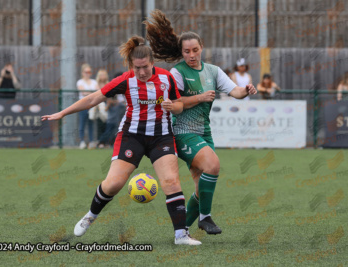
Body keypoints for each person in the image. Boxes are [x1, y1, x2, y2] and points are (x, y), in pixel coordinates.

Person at [41, 35, 201, 245]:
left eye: (145, 67)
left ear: (152, 63)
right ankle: (91, 215)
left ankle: (181, 235)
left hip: (161, 136)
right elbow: (92, 98)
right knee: (114, 183)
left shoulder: (166, 78)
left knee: (171, 181)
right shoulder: (126, 80)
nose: (142, 72)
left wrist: (174, 106)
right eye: (137, 68)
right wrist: (62, 113)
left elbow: (180, 104)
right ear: (131, 66)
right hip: (131, 136)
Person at [145, 10, 257, 235]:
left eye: (195, 50)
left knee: (200, 188)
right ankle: (205, 217)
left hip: (204, 132)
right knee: (213, 165)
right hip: (183, 131)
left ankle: (182, 230)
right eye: (186, 51)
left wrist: (245, 90)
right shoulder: (177, 73)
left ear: (202, 47)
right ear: (182, 52)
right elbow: (175, 104)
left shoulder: (213, 71)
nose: (191, 55)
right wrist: (199, 97)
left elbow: (234, 91)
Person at [77, 64, 98, 149]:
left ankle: (91, 142)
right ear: (82, 73)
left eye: (89, 72)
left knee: (91, 124)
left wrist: (90, 94)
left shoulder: (94, 82)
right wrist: (92, 93)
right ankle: (82, 142)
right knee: (82, 124)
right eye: (86, 72)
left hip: (92, 106)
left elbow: (98, 91)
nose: (88, 73)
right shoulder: (80, 82)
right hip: (82, 106)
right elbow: (83, 92)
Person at [89, 69, 109, 146]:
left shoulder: (108, 84)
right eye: (101, 75)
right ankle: (99, 141)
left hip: (106, 105)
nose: (102, 76)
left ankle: (104, 142)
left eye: (103, 75)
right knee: (99, 123)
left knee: (106, 123)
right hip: (98, 105)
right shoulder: (95, 84)